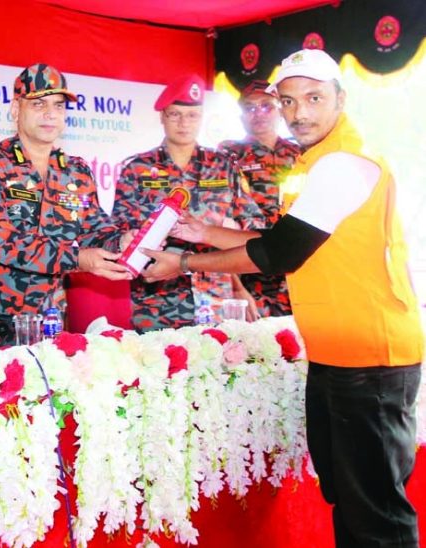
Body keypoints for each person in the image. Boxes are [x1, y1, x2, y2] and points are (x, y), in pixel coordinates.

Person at [142, 49, 423, 547]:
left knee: (376, 510)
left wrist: (184, 262)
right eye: (289, 101)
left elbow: (278, 253)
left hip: (371, 357)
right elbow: (287, 236)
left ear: (341, 98)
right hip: (338, 352)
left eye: (314, 98)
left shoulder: (343, 164)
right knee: (349, 496)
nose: (300, 113)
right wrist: (205, 230)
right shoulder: (315, 161)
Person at [0, 63, 131, 350]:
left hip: (42, 320)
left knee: (41, 394)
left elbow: (95, 229)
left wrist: (123, 242)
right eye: (38, 103)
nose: (50, 113)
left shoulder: (76, 172)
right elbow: (1, 242)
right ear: (16, 109)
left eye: (58, 105)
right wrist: (80, 259)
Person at [111, 74, 265, 331]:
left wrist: (238, 286)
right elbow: (120, 231)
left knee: (219, 367)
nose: (184, 123)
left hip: (215, 295)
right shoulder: (137, 169)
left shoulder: (223, 166)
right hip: (157, 299)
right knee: (160, 366)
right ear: (162, 116)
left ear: (201, 117)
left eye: (192, 115)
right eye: (175, 114)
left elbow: (254, 226)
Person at [217, 79, 301, 317]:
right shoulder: (228, 155)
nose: (258, 114)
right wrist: (235, 287)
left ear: (280, 110)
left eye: (266, 105)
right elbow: (216, 221)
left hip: (296, 268)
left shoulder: (300, 154)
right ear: (241, 116)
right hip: (249, 268)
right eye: (250, 108)